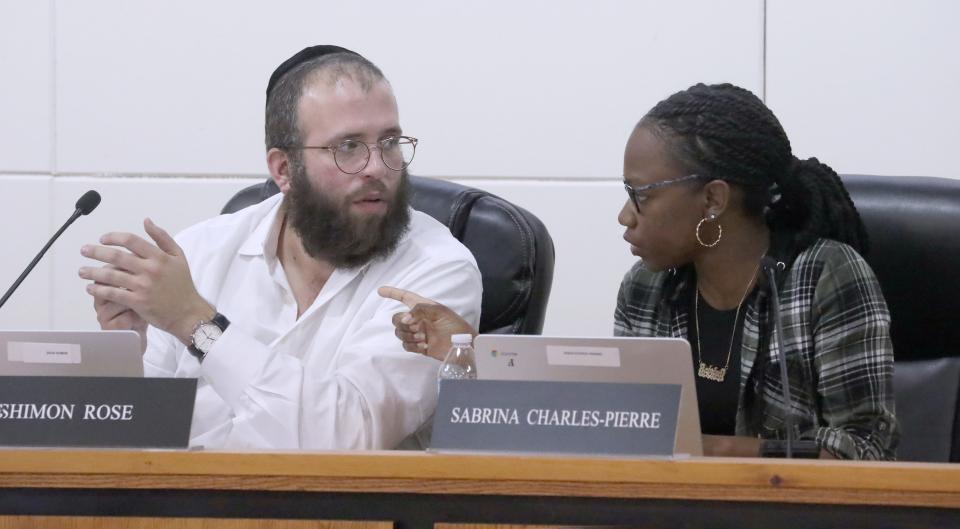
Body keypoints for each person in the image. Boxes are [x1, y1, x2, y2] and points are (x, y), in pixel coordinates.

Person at [381, 83, 898, 460]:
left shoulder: (825, 279)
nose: (625, 217)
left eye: (640, 195)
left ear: (713, 199)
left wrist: (705, 451)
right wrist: (471, 355)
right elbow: (620, 429)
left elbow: (867, 451)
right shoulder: (648, 289)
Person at [78, 45, 482, 450]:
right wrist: (126, 356)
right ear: (284, 170)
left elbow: (347, 438)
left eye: (390, 142)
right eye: (349, 147)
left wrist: (196, 323)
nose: (377, 167)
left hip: (338, 511)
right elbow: (141, 445)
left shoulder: (437, 270)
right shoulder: (199, 253)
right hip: (183, 506)